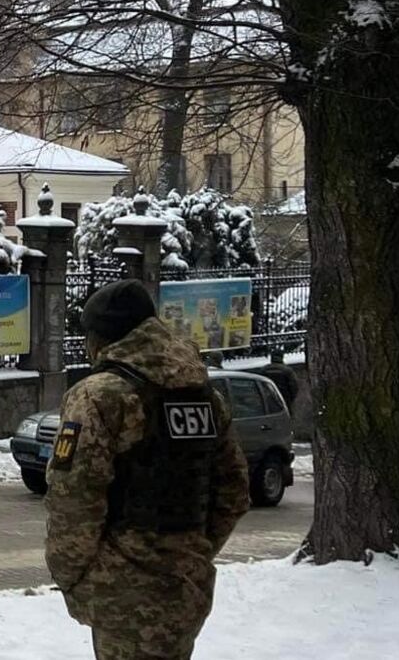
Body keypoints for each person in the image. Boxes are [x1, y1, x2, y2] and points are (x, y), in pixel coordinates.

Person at [46, 281, 250, 660]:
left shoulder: (100, 395)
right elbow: (234, 491)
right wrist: (190, 550)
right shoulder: (203, 394)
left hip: (124, 588)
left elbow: (73, 499)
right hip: (186, 585)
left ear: (100, 339)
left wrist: (74, 578)